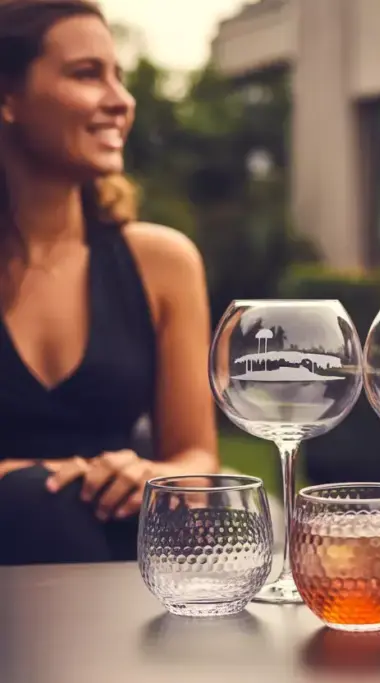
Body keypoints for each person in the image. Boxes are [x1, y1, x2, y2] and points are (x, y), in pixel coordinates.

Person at [0, 0, 218, 564]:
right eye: (86, 74)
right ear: (8, 97)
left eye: (117, 75)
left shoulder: (163, 263)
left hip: (113, 564)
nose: (121, 102)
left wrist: (145, 473)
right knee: (36, 502)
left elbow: (196, 458)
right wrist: (51, 477)